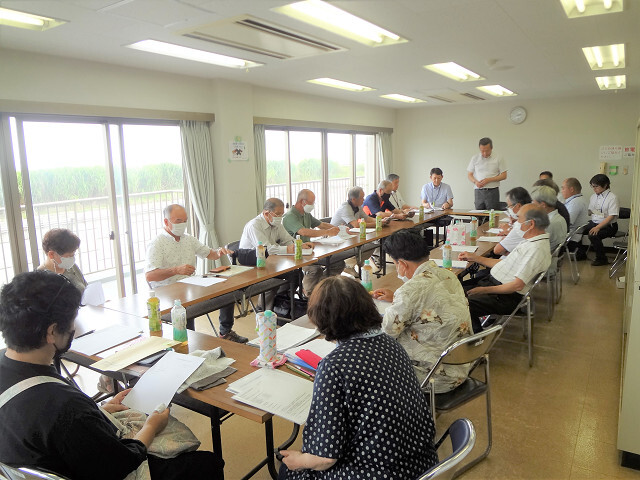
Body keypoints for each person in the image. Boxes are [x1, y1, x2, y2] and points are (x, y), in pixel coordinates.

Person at [0, 271, 223, 480]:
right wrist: (152, 426)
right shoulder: (65, 407)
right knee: (208, 463)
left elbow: (45, 426)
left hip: (41, 461)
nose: (74, 328)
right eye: (71, 322)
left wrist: (97, 412)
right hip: (102, 469)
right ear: (51, 332)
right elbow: (122, 463)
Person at [279, 276, 437, 479]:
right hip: (422, 463)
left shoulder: (334, 365)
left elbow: (325, 458)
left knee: (289, 471)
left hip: (382, 472)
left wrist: (299, 461)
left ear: (321, 318)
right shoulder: (392, 344)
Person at [372, 230, 472, 392]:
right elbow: (430, 301)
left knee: (368, 358)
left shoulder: (409, 291)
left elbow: (385, 334)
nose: (396, 268)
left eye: (395, 264)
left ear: (403, 264)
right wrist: (397, 298)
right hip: (461, 365)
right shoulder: (448, 275)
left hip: (433, 376)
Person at [144, 204, 242, 342]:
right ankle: (187, 342)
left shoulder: (188, 239)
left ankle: (225, 332)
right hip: (168, 292)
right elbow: (150, 275)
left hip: (190, 285)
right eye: (179, 221)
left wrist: (220, 251)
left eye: (185, 221)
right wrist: (176, 270)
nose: (183, 224)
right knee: (184, 310)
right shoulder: (157, 243)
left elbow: (210, 254)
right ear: (166, 222)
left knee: (226, 290)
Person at [459, 205, 552, 332]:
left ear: (531, 224)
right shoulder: (530, 241)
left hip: (505, 296)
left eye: (518, 219)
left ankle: (476, 343)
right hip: (495, 285)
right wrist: (475, 258)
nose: (515, 223)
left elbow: (516, 286)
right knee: (454, 291)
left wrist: (485, 290)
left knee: (460, 304)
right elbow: (503, 264)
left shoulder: (536, 249)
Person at [239, 197, 313, 307]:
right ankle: (263, 308)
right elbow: (265, 249)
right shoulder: (254, 225)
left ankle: (281, 302)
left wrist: (299, 244)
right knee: (272, 281)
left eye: (282, 214)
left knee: (296, 274)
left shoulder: (276, 223)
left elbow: (287, 239)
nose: (280, 217)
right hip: (253, 265)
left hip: (271, 262)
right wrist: (287, 249)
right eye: (277, 214)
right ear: (266, 213)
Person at [283, 190, 343, 295]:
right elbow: (303, 232)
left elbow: (321, 224)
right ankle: (309, 292)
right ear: (303, 202)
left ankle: (320, 288)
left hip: (310, 251)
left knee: (339, 263)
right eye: (312, 203)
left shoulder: (306, 214)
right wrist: (327, 232)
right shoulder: (290, 216)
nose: (313, 205)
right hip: (296, 254)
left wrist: (338, 229)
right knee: (315, 270)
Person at [577, 174, 619, 266]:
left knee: (593, 235)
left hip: (609, 226)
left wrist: (598, 227)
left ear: (605, 185)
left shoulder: (612, 197)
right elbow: (591, 211)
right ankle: (580, 254)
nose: (594, 189)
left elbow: (611, 216)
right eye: (592, 186)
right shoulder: (593, 196)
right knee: (578, 229)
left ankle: (601, 259)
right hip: (594, 222)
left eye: (596, 186)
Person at [37, 228, 87, 293]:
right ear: (51, 254)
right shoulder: (40, 278)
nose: (72, 259)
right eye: (68, 256)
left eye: (73, 254)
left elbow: (85, 288)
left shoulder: (72, 267)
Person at [467, 137, 507, 210]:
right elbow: (469, 174)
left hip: (492, 191)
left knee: (493, 214)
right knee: (478, 215)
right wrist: (475, 182)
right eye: (482, 151)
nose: (484, 153)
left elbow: (504, 175)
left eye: (487, 151)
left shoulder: (498, 158)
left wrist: (489, 180)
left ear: (491, 148)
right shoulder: (475, 158)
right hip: (478, 191)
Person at [493, 187, 532, 257]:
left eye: (509, 206)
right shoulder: (533, 217)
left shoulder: (522, 225)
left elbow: (497, 250)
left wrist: (509, 230)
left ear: (518, 206)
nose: (508, 208)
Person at [531, 186, 568, 253]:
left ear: (543, 205)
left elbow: (535, 246)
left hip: (544, 258)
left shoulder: (549, 223)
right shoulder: (559, 217)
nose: (532, 207)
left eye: (534, 203)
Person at [561, 177, 589, 254]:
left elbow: (567, 222)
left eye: (563, 188)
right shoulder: (577, 200)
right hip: (571, 233)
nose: (561, 191)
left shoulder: (575, 202)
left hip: (571, 237)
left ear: (571, 189)